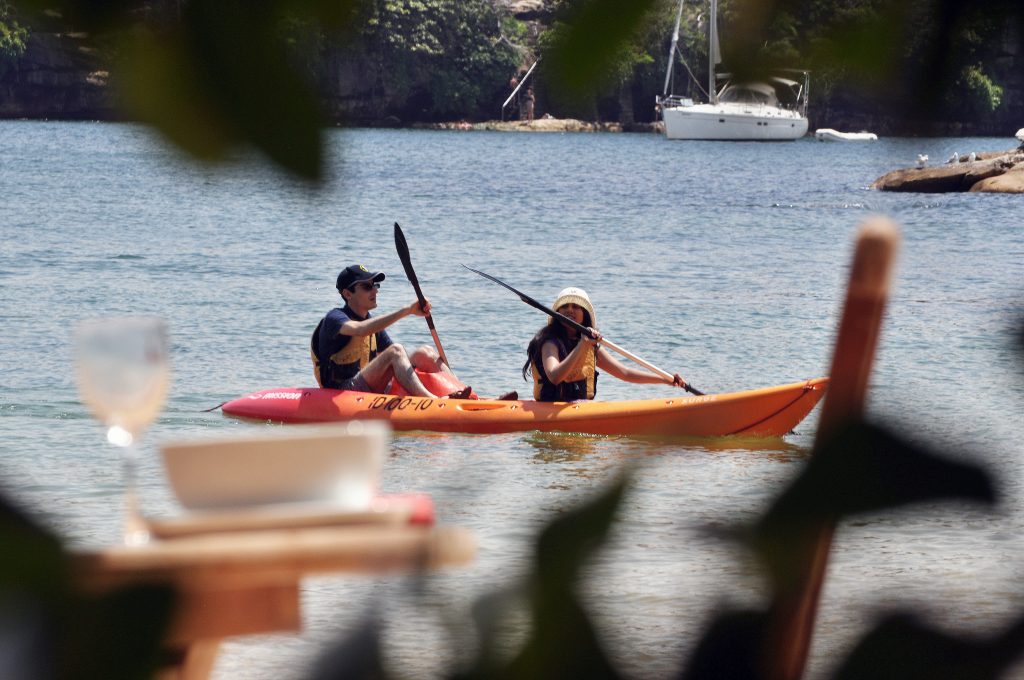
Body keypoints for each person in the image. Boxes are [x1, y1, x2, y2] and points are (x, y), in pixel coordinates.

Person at [312, 264, 470, 398]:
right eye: (367, 287)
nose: (375, 291)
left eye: (375, 285)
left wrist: (421, 367)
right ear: (347, 294)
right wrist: (407, 310)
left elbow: (399, 361)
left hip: (369, 385)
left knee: (425, 353)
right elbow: (359, 330)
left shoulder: (371, 322)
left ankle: (465, 395)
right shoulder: (334, 318)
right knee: (396, 351)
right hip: (343, 391)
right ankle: (433, 402)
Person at [522, 287, 688, 402]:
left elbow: (625, 373)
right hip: (550, 408)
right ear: (558, 313)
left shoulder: (591, 345)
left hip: (579, 406)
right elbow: (555, 376)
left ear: (584, 314)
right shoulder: (550, 343)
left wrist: (666, 379)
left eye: (575, 307)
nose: (569, 310)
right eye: (564, 306)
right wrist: (582, 344)